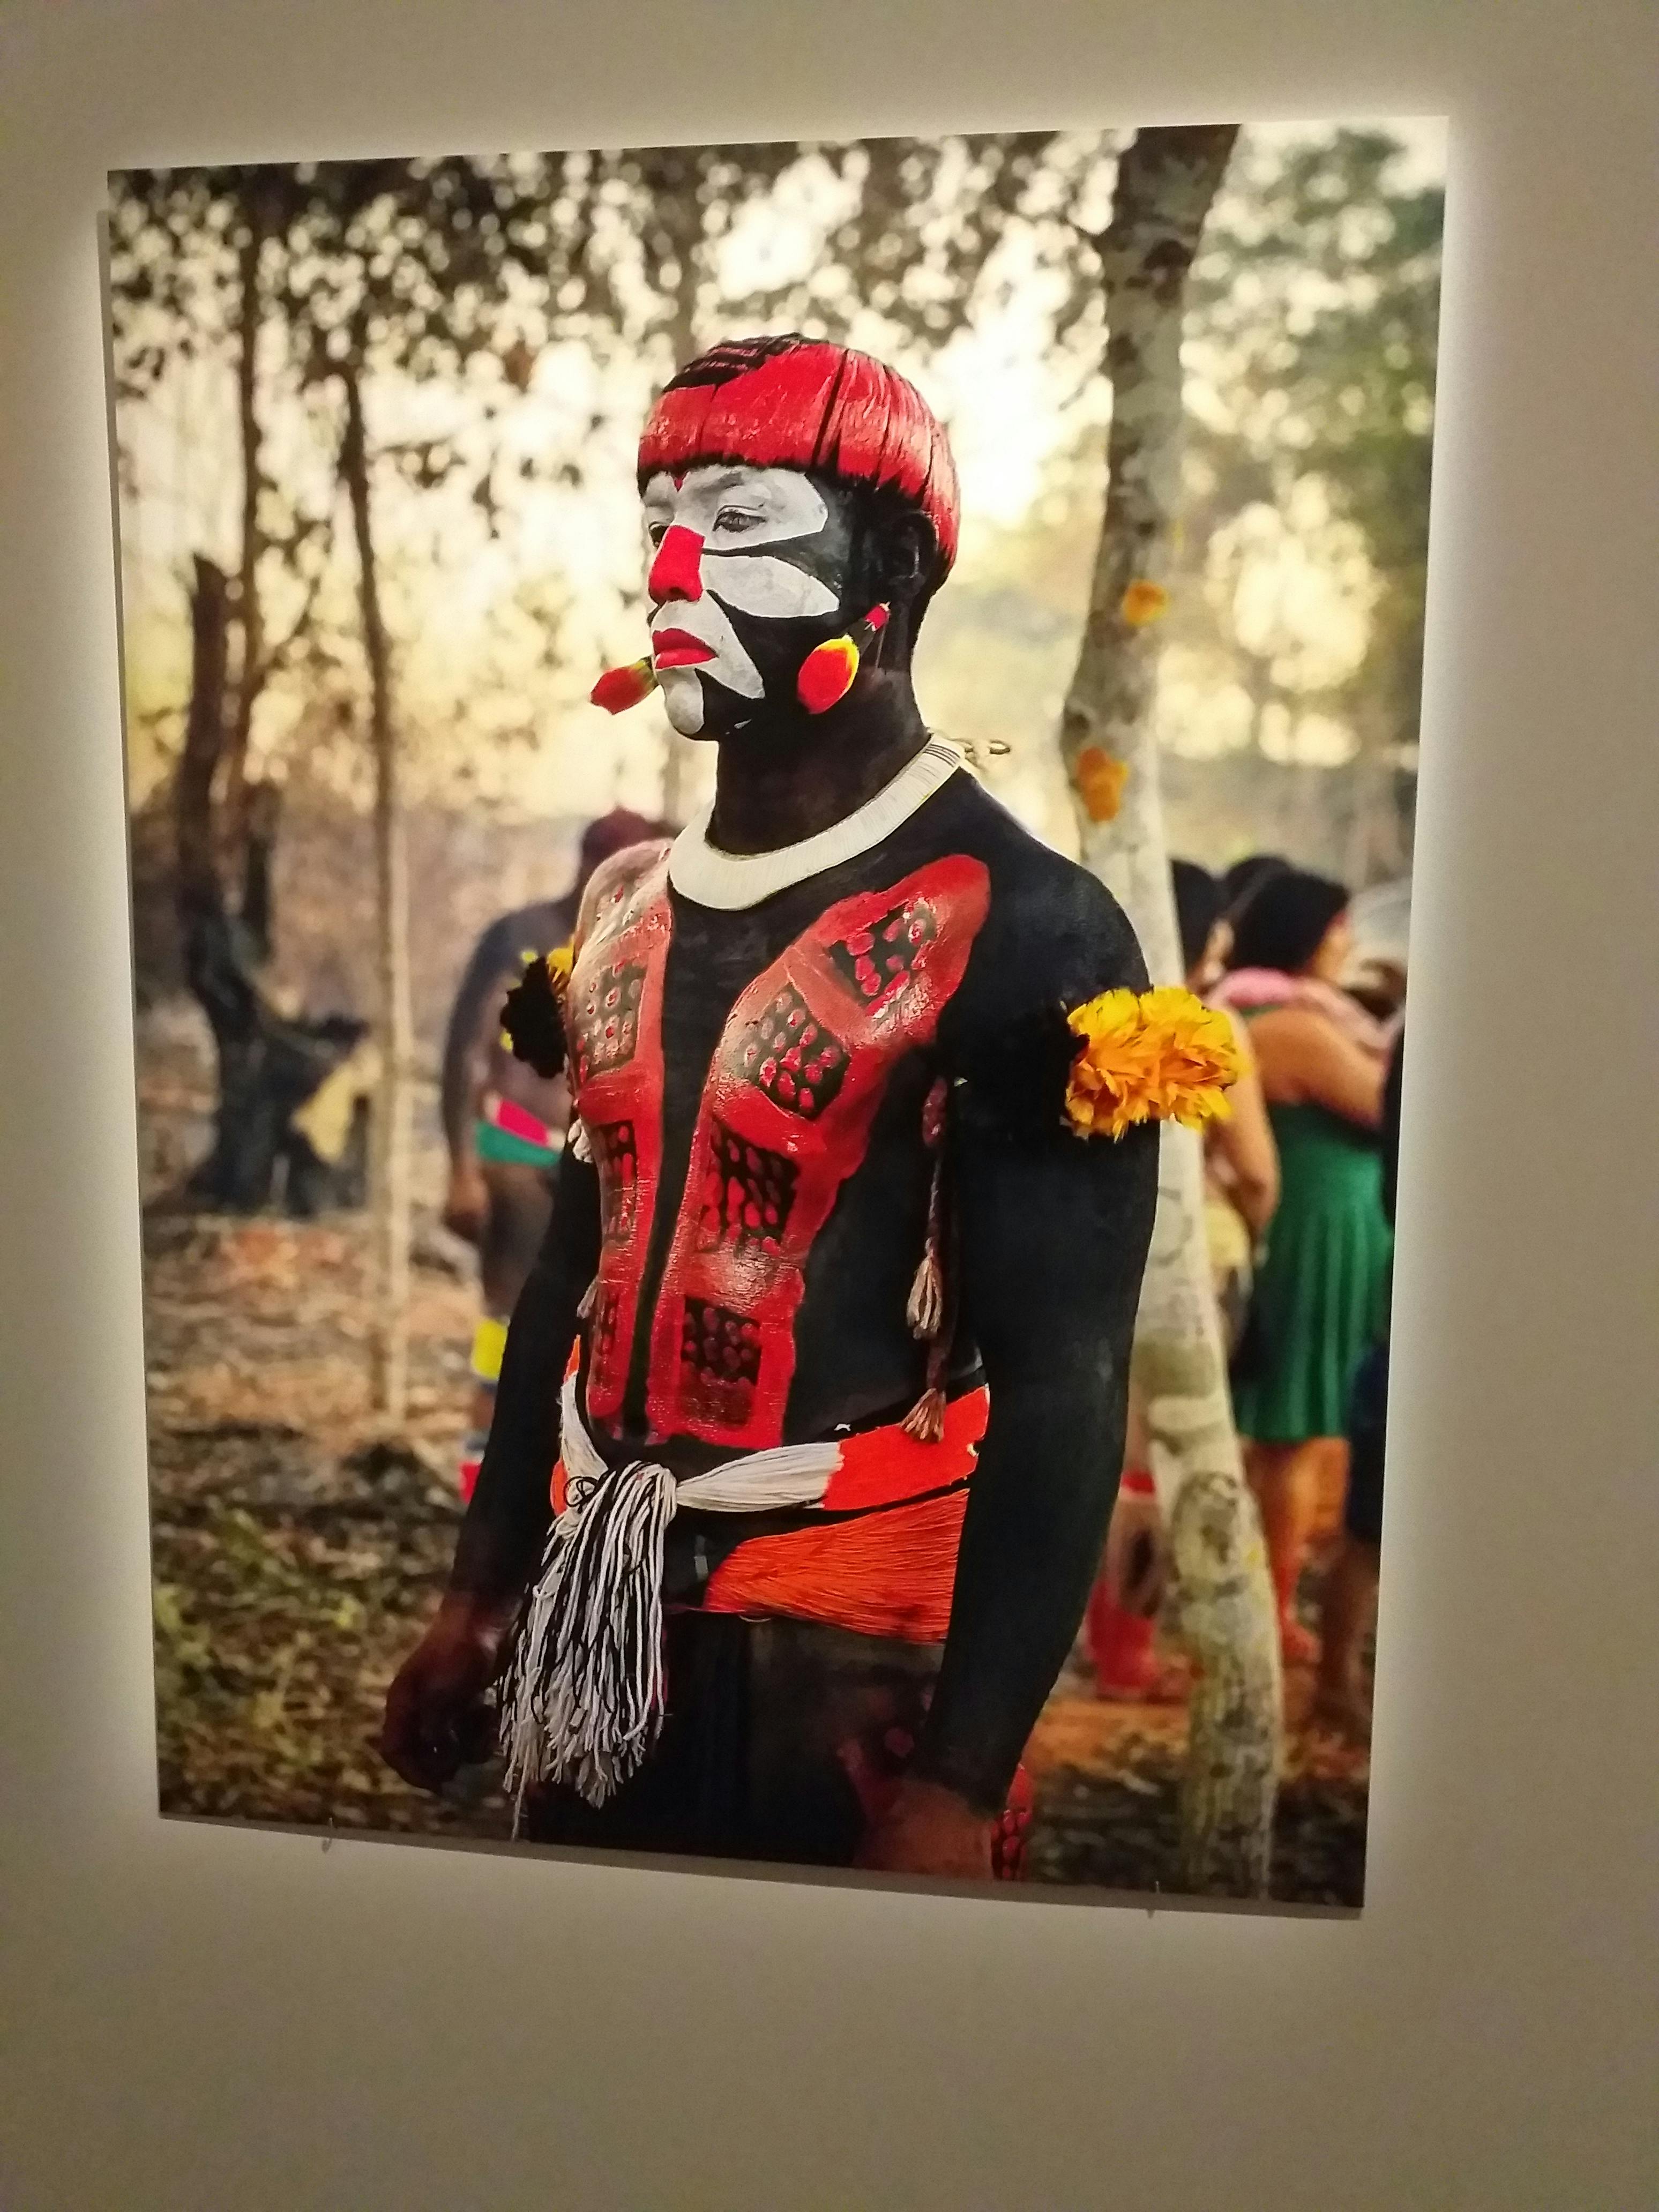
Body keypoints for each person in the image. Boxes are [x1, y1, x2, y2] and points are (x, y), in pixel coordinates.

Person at [380, 335, 1234, 1878]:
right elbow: (567, 1280)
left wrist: (960, 1779)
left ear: (891, 568)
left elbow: (1066, 1384)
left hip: (853, 1674)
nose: (672, 572)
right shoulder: (623, 905)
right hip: (598, 1624)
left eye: (741, 522)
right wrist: (478, 1595)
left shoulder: (1027, 922)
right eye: (659, 524)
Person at [1086, 860, 1279, 1700]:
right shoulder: (1210, 1027)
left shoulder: (1081, 1012)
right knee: (1169, 1460)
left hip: (1096, 1259)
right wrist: (1253, 1237)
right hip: (1193, 1263)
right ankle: (1132, 1654)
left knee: (1110, 1456)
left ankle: (1104, 1648)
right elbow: (1259, 1172)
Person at [438, 810, 661, 1497]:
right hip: (516, 1150)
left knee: (585, 1341)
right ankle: (482, 1490)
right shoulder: (522, 937)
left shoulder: (646, 946)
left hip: (598, 1170)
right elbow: (465, 1051)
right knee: (506, 1328)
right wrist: (462, 1170)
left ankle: (551, 1494)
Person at [1213, 867, 1390, 1667]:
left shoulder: (1261, 1010)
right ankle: (1276, 1614)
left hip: (1307, 1232)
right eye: (1339, 926)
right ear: (1306, 933)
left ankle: (1260, 1600)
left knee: (1281, 1438)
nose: (1347, 942)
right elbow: (1389, 1104)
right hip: (1317, 1240)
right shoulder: (1294, 1026)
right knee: (1296, 1436)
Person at [1312, 1022, 1404, 1739]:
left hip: (1399, 1312)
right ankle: (1336, 1686)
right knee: (1370, 1527)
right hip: (1404, 1323)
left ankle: (1340, 1683)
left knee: (1371, 1528)